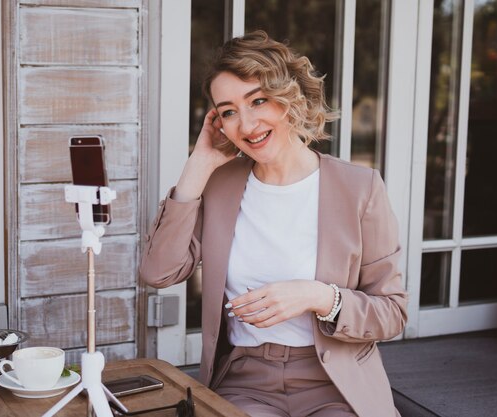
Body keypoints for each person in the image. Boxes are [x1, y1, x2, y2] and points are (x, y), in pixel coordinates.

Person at [140, 31, 407, 417]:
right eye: (229, 111)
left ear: (290, 98)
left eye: (258, 101)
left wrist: (318, 296)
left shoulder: (360, 188)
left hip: (336, 383)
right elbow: (158, 271)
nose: (247, 125)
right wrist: (196, 168)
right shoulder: (219, 186)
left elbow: (392, 312)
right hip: (247, 381)